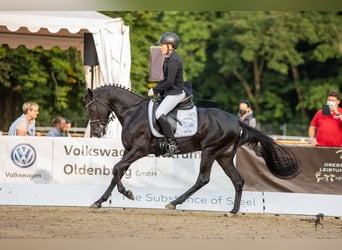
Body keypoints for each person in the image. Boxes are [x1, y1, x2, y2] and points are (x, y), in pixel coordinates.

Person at [148, 32, 186, 156]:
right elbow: (165, 80)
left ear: (170, 45)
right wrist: (158, 90)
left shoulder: (174, 60)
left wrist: (155, 90)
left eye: (162, 45)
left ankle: (172, 144)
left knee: (159, 113)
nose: (160, 47)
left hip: (175, 93)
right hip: (169, 92)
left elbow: (169, 82)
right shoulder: (168, 58)